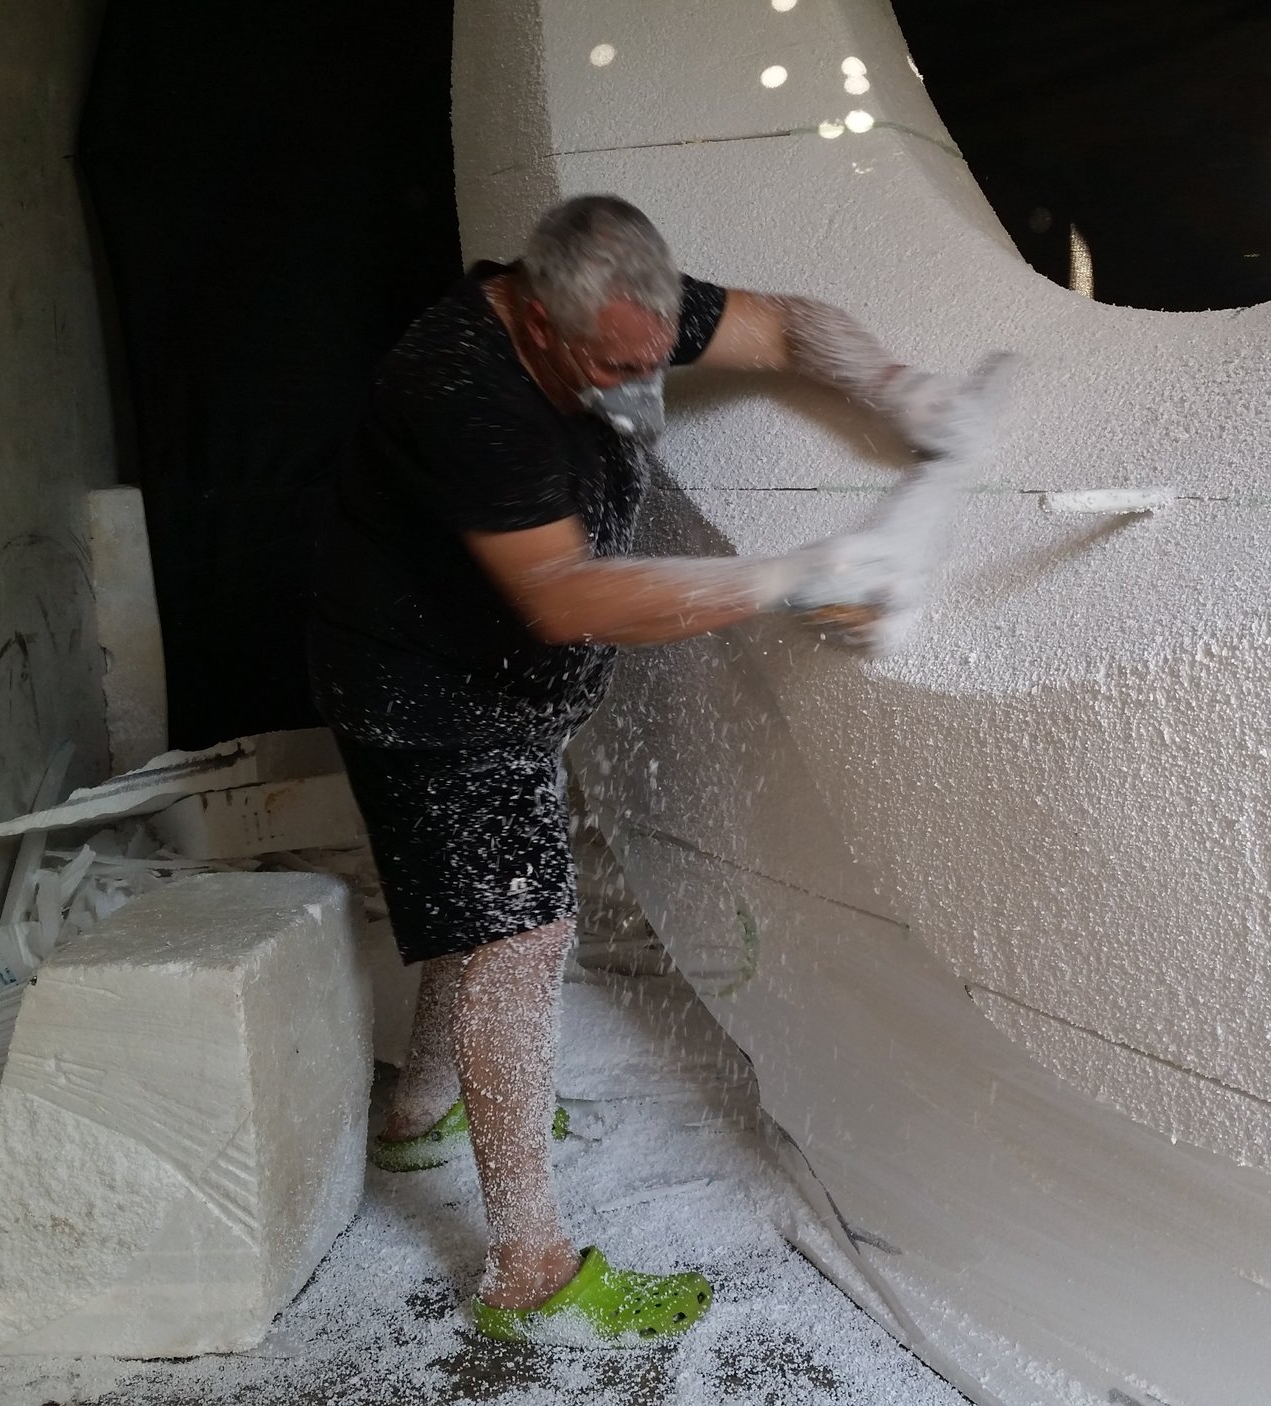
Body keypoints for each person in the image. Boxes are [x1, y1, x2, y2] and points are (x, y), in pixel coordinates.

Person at [307, 193, 1002, 1346]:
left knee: (479, 909)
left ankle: (421, 1109)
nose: (641, 389)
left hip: (496, 683)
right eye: (609, 368)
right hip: (423, 691)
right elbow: (564, 596)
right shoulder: (462, 387)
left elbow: (784, 327)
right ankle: (527, 1266)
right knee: (517, 935)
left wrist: (896, 387)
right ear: (536, 321)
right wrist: (794, 573)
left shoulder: (626, 310)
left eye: (652, 358)